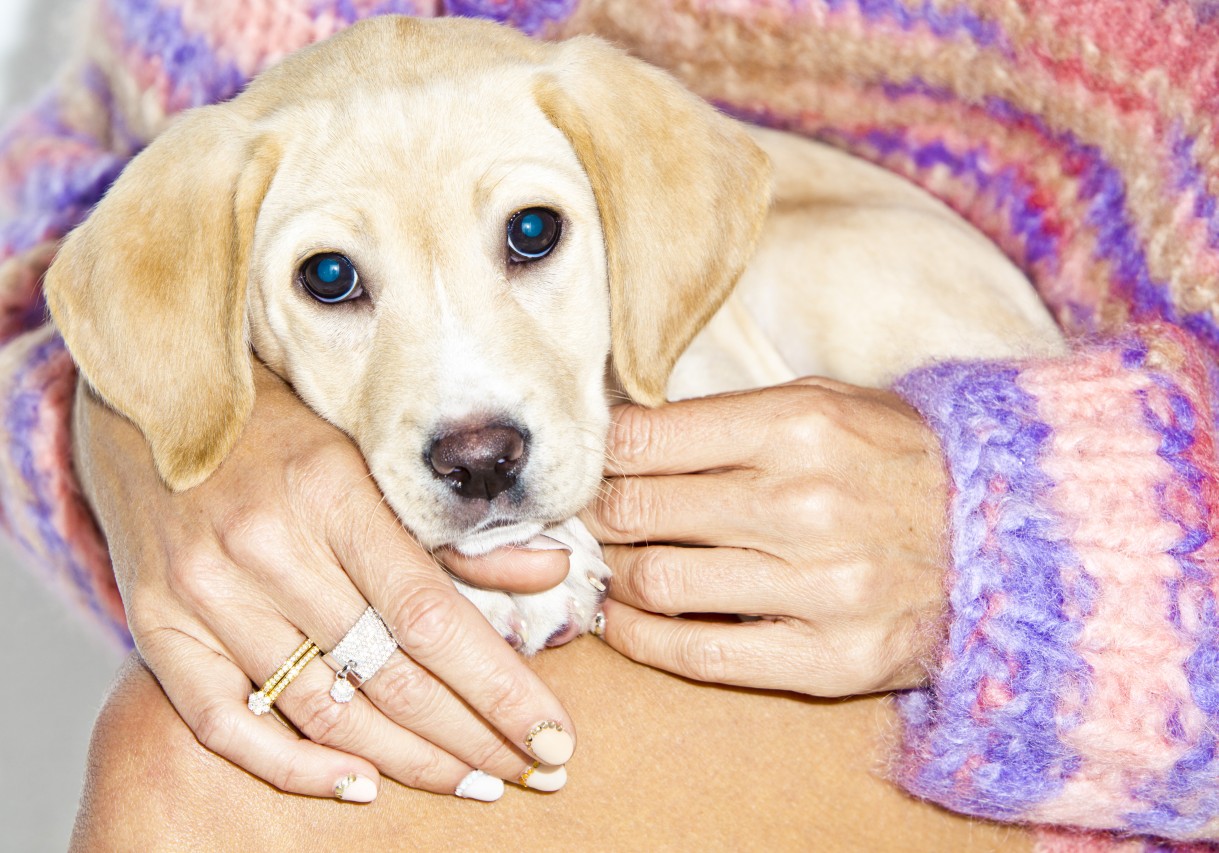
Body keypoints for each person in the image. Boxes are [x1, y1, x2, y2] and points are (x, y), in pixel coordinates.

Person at [6, 0, 1219, 847]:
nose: (471, 426)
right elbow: (45, 276)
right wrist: (134, 425)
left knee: (197, 786)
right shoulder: (231, 112)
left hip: (1082, 702)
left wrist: (1013, 550)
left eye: (530, 234)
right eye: (330, 279)